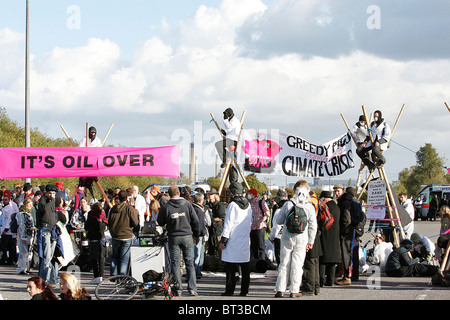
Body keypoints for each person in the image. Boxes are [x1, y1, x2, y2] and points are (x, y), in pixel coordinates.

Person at [274, 180, 317, 298]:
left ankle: (280, 289)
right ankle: (294, 290)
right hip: (302, 238)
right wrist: (311, 241)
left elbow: (279, 221)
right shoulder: (309, 206)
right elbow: (313, 225)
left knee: (284, 263)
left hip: (287, 237)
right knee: (297, 265)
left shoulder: (288, 204)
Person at [157, 186, 200, 297]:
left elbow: (160, 222)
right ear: (179, 193)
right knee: (190, 263)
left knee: (175, 264)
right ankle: (192, 289)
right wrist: (197, 235)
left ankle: (178, 289)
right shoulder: (187, 205)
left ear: (169, 194)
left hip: (173, 236)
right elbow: (195, 221)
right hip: (187, 236)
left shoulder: (166, 207)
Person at [219, 181, 252, 297]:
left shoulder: (232, 205)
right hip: (244, 239)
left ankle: (230, 290)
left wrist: (224, 240)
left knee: (231, 267)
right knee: (245, 267)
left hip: (233, 239)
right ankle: (244, 291)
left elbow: (228, 223)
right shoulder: (248, 205)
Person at [36, 184, 67, 286]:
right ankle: (43, 281)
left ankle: (51, 279)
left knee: (52, 257)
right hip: (45, 231)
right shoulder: (43, 201)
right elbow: (44, 210)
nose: (52, 195)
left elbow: (60, 217)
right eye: (50, 193)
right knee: (46, 257)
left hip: (53, 231)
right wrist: (54, 201)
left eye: (54, 193)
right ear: (46, 193)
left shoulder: (53, 202)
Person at [108, 190, 139, 276]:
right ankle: (122, 276)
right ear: (126, 198)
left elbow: (109, 222)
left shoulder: (113, 209)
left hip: (115, 235)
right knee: (124, 258)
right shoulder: (129, 209)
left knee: (115, 256)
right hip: (126, 235)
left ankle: (113, 273)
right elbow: (135, 222)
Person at [318, 190, 341, 287]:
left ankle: (321, 280)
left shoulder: (325, 207)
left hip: (325, 234)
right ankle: (331, 280)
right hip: (335, 235)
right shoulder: (336, 207)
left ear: (324, 199)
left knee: (323, 259)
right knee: (332, 261)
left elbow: (321, 220)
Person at [334, 184, 355, 285]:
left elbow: (346, 219)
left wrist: (342, 228)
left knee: (346, 254)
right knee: (348, 253)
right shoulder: (347, 200)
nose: (336, 193)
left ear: (343, 190)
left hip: (346, 232)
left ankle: (347, 276)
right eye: (335, 191)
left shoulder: (345, 202)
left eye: (338, 191)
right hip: (349, 231)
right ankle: (349, 275)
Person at [85, 201, 108, 284]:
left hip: (93, 239)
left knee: (94, 258)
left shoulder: (91, 216)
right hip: (102, 238)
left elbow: (86, 226)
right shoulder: (103, 216)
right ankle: (101, 276)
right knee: (101, 258)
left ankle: (96, 276)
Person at [248, 188, 270, 262]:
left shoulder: (261, 202)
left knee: (261, 246)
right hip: (252, 227)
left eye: (250, 194)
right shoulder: (250, 203)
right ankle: (255, 262)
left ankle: (262, 262)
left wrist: (260, 221)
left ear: (254, 195)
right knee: (254, 246)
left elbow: (267, 214)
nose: (249, 195)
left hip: (260, 226)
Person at [268, 189, 289, 266]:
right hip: (288, 237)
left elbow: (276, 227)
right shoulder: (290, 209)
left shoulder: (278, 211)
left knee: (281, 263)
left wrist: (271, 237)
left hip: (279, 238)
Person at [16, 197, 37, 274]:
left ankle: (26, 268)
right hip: (24, 235)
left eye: (31, 204)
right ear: (25, 204)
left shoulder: (30, 213)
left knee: (29, 253)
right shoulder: (22, 214)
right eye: (29, 204)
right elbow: (22, 226)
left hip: (30, 234)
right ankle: (21, 268)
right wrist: (23, 237)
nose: (30, 206)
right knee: (23, 253)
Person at [0, 190, 19, 265]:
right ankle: (6, 259)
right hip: (5, 229)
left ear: (9, 200)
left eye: (6, 200)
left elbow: (9, 220)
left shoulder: (10, 208)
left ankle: (10, 260)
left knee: (8, 247)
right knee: (6, 246)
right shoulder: (4, 207)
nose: (4, 201)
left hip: (8, 231)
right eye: (3, 200)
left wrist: (6, 229)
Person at [192, 192, 207, 280]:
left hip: (192, 233)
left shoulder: (191, 208)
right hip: (198, 234)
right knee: (197, 255)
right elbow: (199, 224)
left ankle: (196, 272)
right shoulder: (199, 210)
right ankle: (196, 272)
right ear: (201, 200)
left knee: (194, 255)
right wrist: (200, 233)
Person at [206, 189, 226, 257]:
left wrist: (211, 220)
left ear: (215, 195)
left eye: (211, 194)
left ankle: (221, 265)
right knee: (210, 248)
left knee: (219, 248)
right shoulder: (207, 205)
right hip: (210, 230)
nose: (210, 196)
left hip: (218, 230)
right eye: (209, 194)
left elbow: (222, 218)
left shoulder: (219, 205)